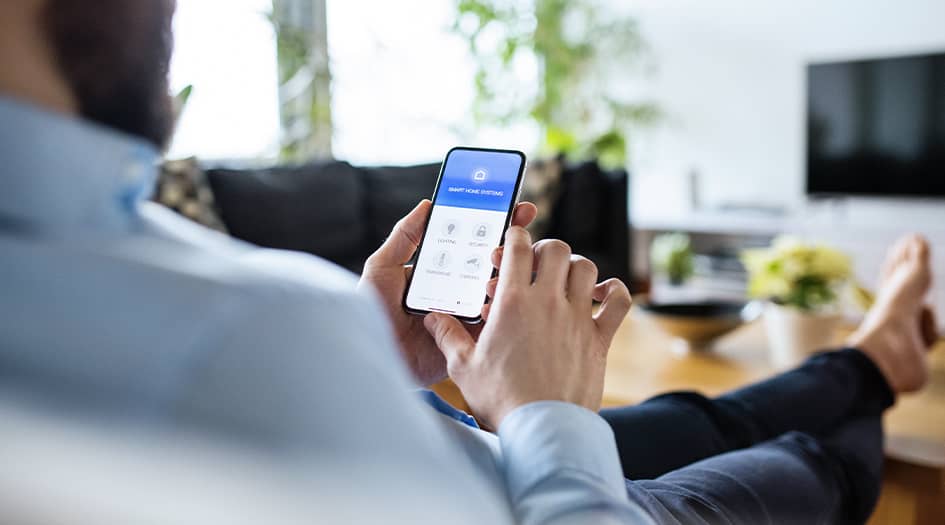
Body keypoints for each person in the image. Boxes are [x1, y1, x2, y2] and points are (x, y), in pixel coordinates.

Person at [0, 0, 937, 523]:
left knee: (703, 411)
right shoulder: (245, 332)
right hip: (558, 497)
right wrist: (547, 411)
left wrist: (373, 362)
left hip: (474, 450)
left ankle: (870, 350)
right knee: (807, 458)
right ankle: (877, 365)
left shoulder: (88, 243)